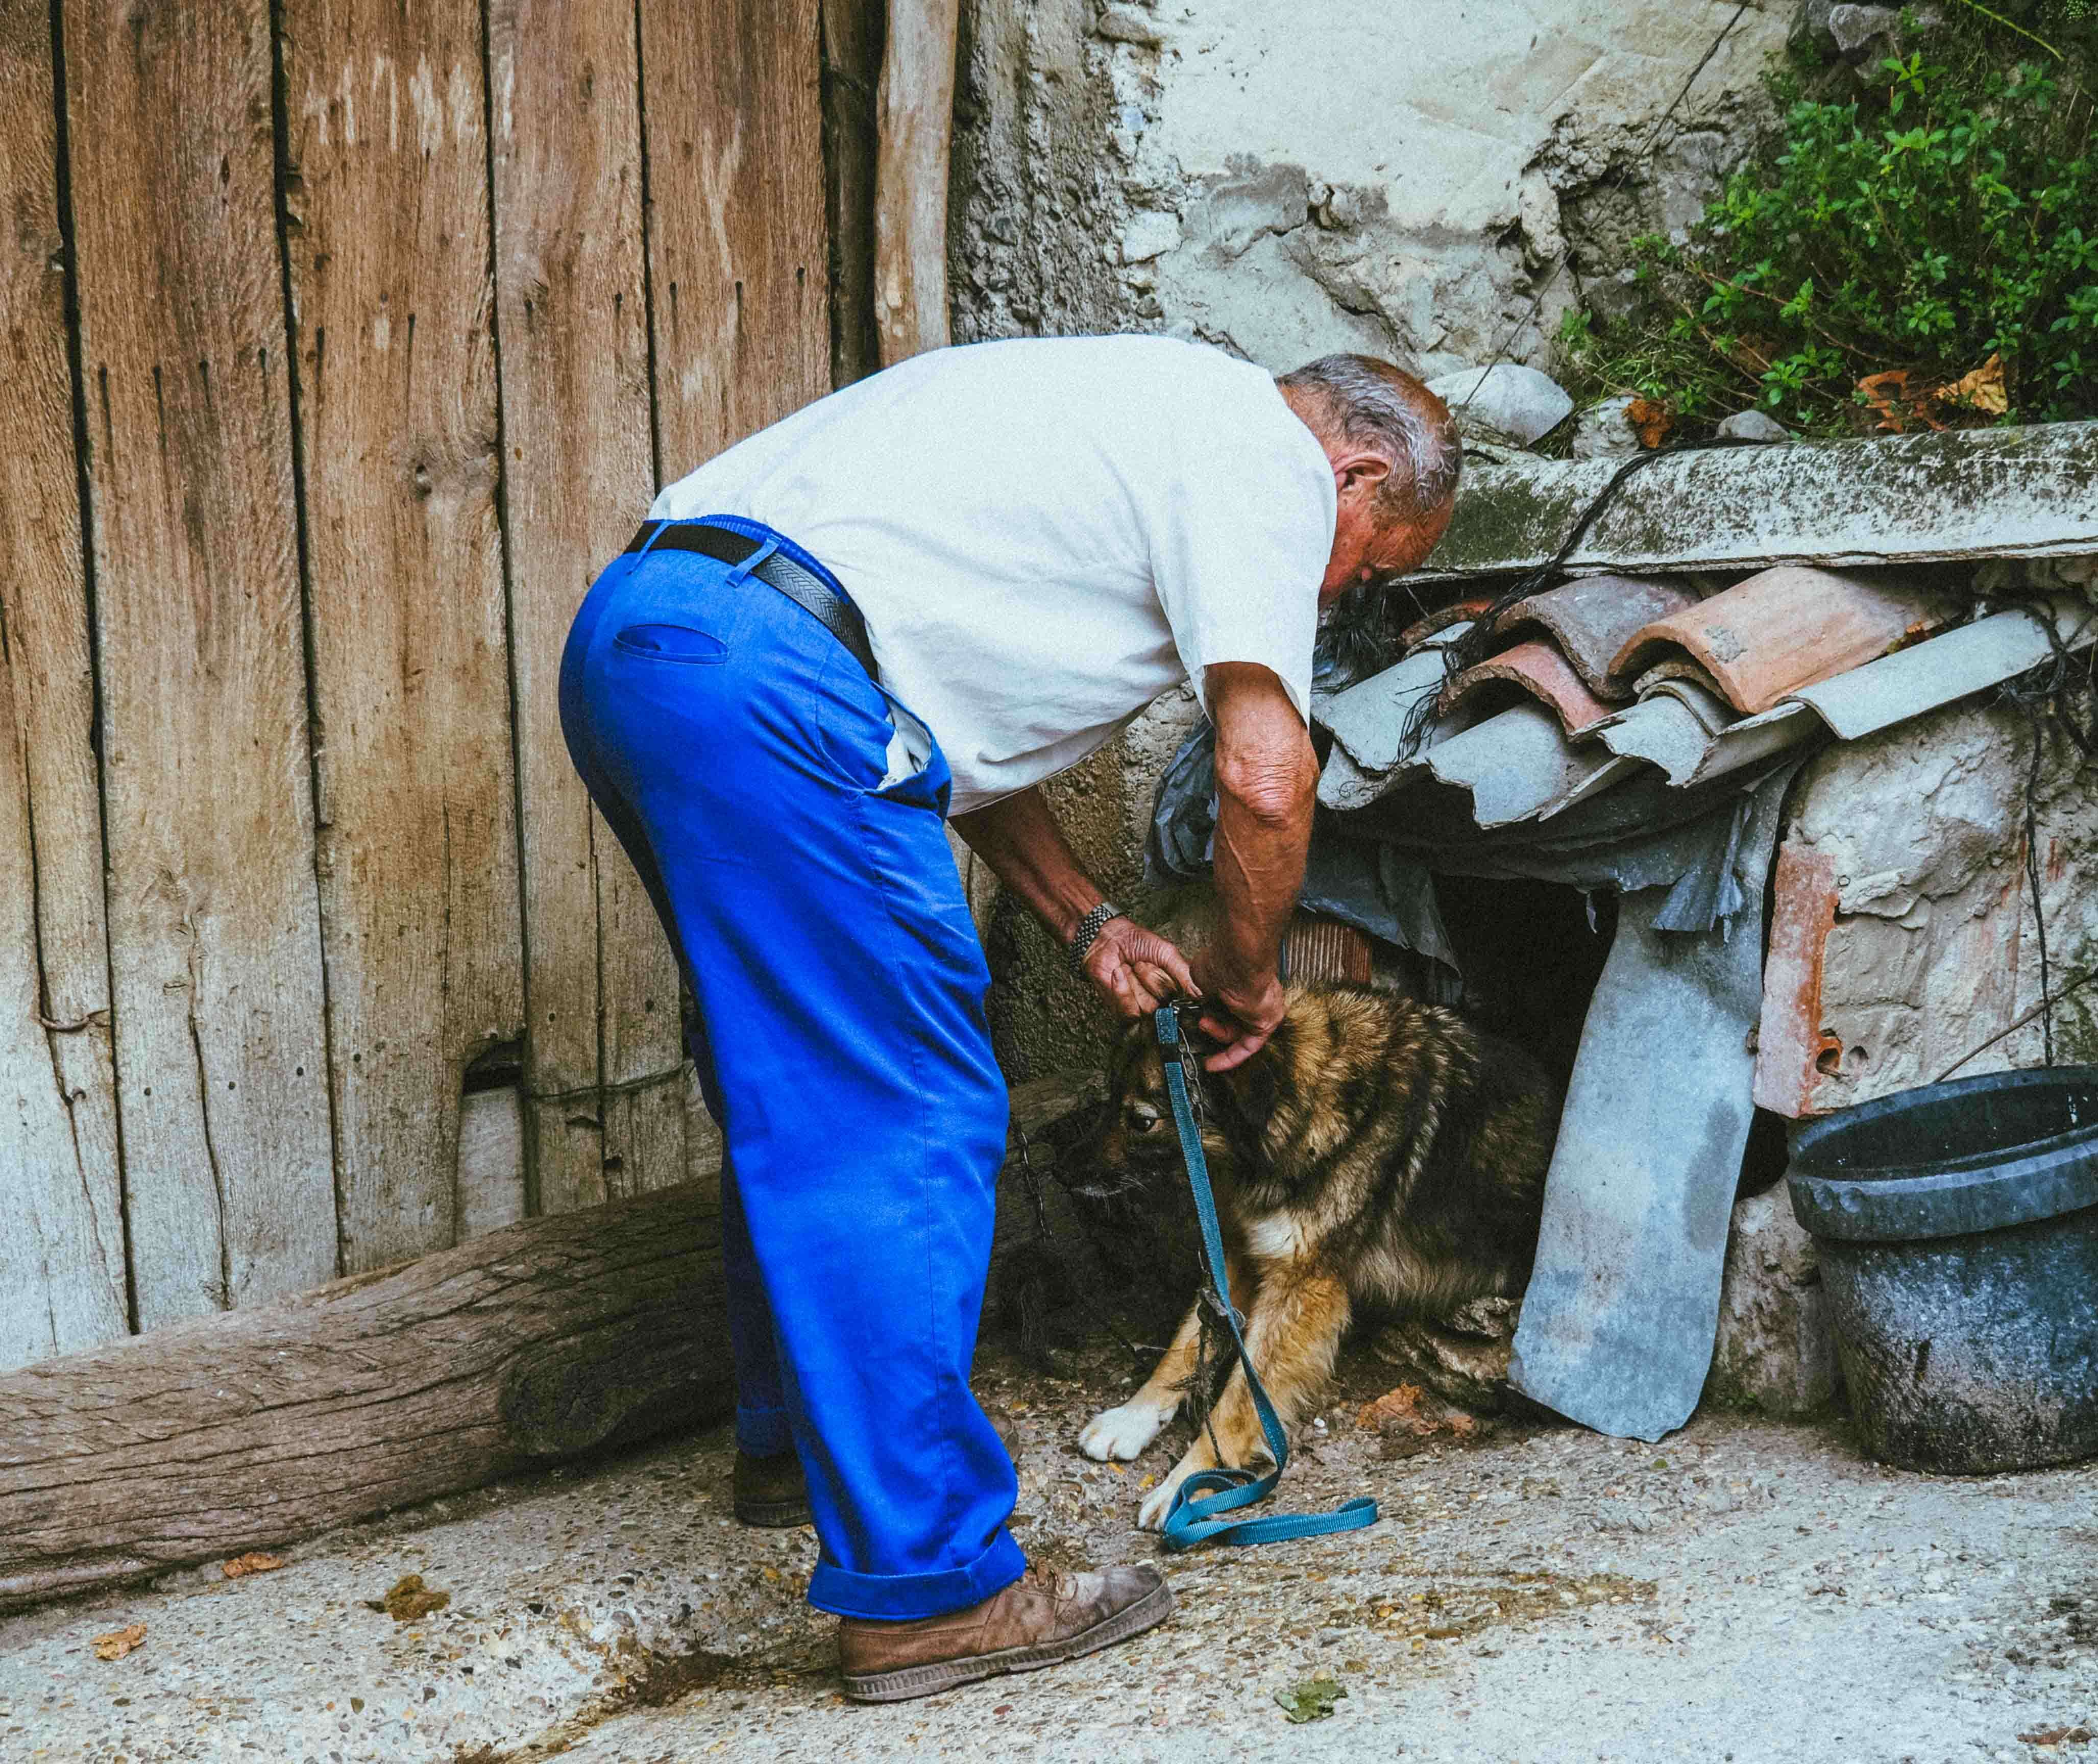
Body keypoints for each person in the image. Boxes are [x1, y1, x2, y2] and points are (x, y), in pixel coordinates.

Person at [558, 338, 1459, 1703]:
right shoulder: (1262, 460)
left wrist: (1091, 923)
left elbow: (926, 706)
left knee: (797, 1083)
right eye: (1374, 566)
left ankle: (795, 1450)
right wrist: (1250, 970)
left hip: (648, 638)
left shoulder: (1126, 402)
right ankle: (928, 1593)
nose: (1346, 596)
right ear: (1356, 471)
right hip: (782, 683)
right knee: (908, 1118)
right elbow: (1268, 781)